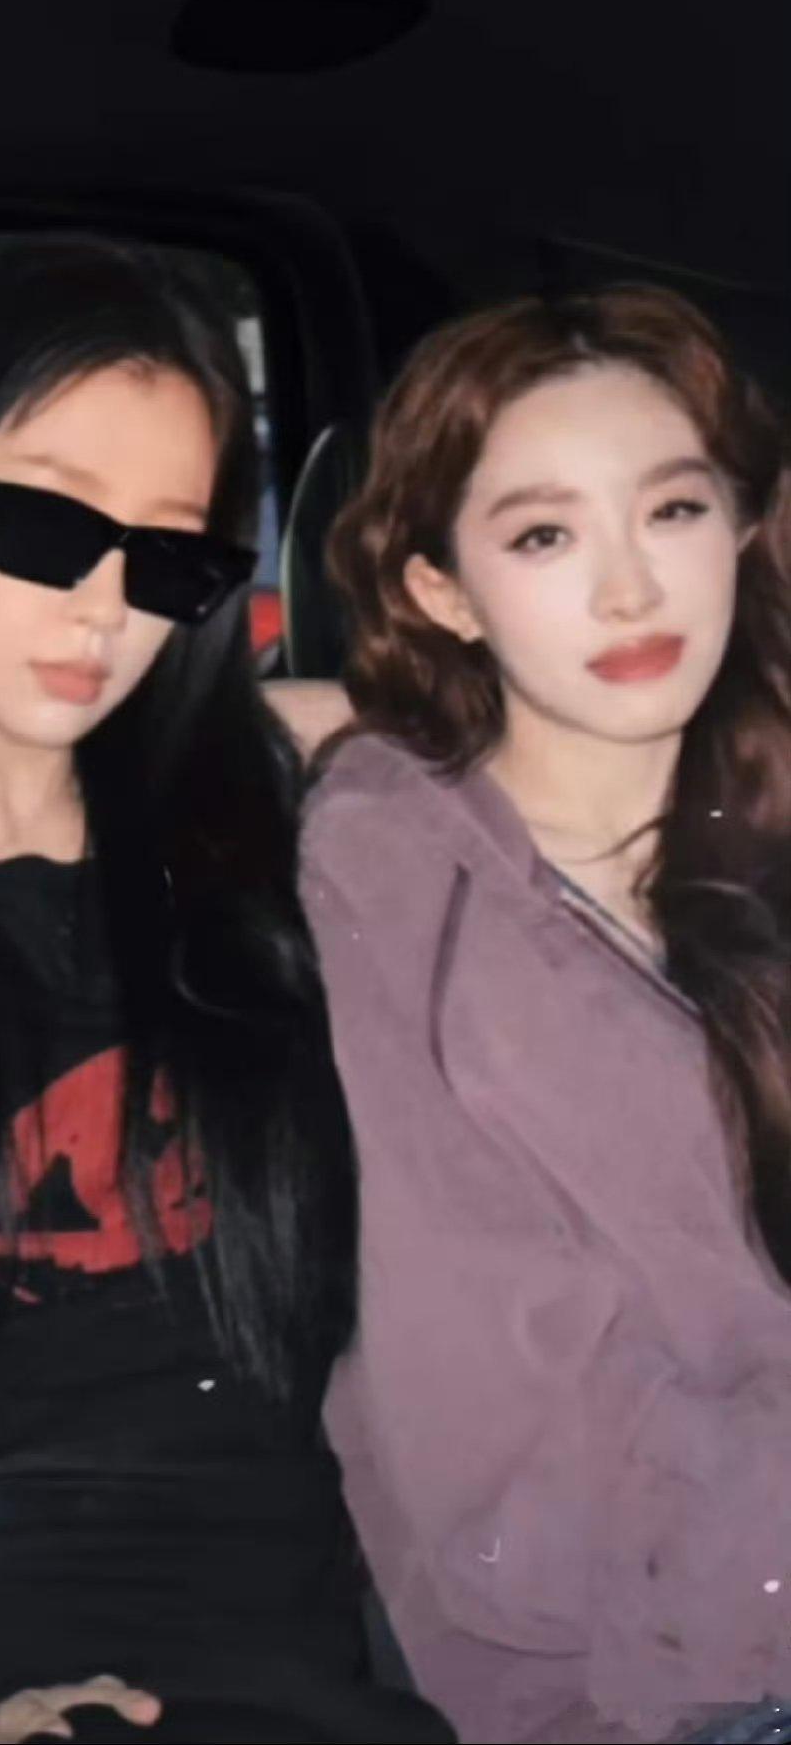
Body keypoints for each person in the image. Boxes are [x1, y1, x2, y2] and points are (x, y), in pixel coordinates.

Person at [0, 239, 450, 1745]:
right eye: (51, 525)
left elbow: (605, 750)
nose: (108, 607)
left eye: (170, 556)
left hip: (299, 1703)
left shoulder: (295, 827)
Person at [298, 285, 791, 1745]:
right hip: (662, 1671)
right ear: (444, 591)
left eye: (674, 511)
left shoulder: (759, 817)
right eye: (543, 537)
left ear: (742, 529)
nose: (631, 592)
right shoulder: (394, 874)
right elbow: (504, 1430)